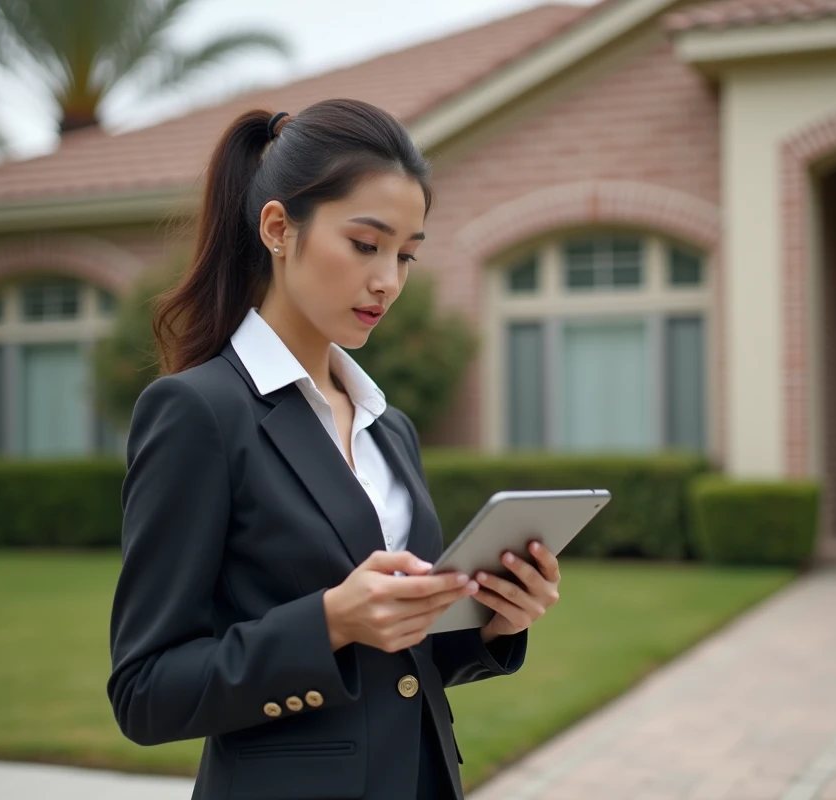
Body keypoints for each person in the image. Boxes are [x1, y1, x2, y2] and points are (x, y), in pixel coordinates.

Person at [106, 98, 563, 800]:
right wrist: (326, 624)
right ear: (278, 228)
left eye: (406, 255)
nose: (388, 280)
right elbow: (144, 692)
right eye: (365, 244)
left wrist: (495, 623)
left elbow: (405, 665)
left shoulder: (389, 426)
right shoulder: (198, 412)